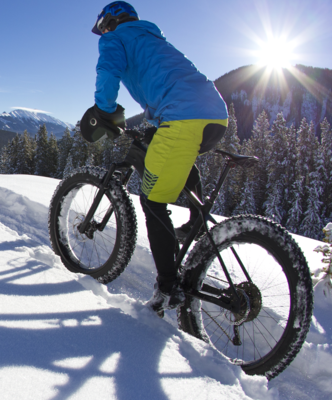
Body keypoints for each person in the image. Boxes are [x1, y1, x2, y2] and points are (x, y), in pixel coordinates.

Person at [81, 1, 229, 315]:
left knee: (151, 201)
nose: (103, 32)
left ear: (110, 21)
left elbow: (107, 72)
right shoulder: (154, 38)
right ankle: (195, 223)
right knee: (174, 154)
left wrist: (104, 112)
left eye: (103, 26)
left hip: (182, 118)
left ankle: (168, 285)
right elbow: (170, 82)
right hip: (215, 116)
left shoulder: (115, 38)